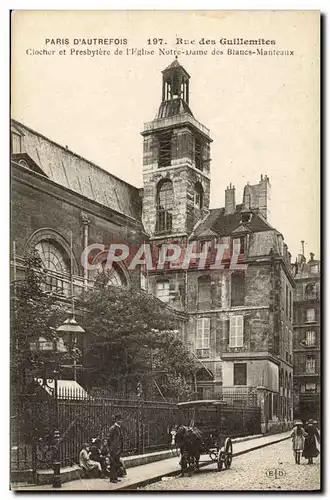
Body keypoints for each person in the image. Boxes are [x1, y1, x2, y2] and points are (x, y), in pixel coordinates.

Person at [108, 414, 124, 483]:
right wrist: (111, 449)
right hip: (114, 450)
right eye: (119, 420)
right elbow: (109, 439)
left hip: (118, 449)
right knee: (113, 464)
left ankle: (115, 477)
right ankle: (112, 478)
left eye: (121, 420)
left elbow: (120, 439)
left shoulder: (119, 428)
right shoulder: (113, 428)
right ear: (116, 420)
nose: (120, 421)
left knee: (116, 463)